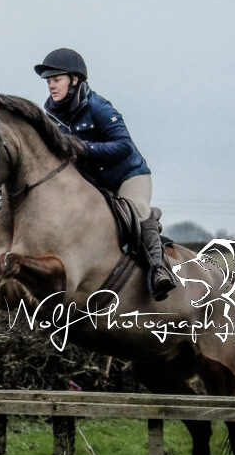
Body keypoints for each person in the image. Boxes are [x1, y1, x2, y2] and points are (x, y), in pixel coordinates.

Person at [34, 47, 175, 300]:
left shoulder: (98, 106)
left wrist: (83, 147)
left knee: (137, 208)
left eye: (56, 80)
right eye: (49, 82)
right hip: (95, 183)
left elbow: (124, 146)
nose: (51, 86)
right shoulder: (51, 117)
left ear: (74, 80)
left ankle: (158, 270)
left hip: (128, 175)